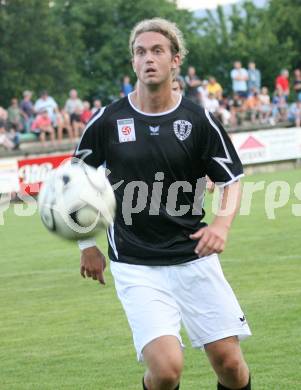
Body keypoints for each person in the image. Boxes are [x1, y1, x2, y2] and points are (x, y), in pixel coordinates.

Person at [75, 18, 251, 390]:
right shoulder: (108, 121)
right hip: (137, 265)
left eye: (158, 50)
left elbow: (230, 180)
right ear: (133, 62)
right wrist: (87, 245)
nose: (148, 58)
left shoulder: (199, 119)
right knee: (168, 370)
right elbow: (75, 183)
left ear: (175, 60)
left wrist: (220, 225)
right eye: (140, 52)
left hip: (194, 259)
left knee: (231, 366)